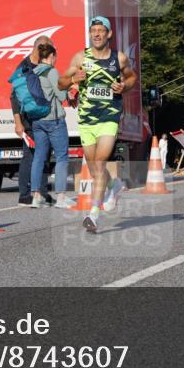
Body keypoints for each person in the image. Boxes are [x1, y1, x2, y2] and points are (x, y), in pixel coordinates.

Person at [59, 16, 136, 233]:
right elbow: (61, 81)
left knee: (100, 162)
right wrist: (74, 80)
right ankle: (115, 185)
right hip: (86, 119)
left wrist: (124, 86)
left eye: (101, 30)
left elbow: (131, 78)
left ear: (109, 34)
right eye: (94, 31)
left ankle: (93, 214)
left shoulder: (118, 58)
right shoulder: (81, 57)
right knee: (94, 169)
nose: (97, 34)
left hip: (109, 117)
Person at [11, 36, 55, 207]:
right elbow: (14, 97)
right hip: (29, 118)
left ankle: (41, 193)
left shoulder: (44, 64)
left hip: (44, 116)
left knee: (44, 154)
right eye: (49, 49)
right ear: (40, 48)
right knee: (30, 155)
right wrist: (18, 123)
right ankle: (24, 195)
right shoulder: (24, 67)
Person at [29, 43, 75, 209]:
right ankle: (61, 197)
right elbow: (61, 94)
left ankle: (36, 196)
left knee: (39, 157)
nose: (56, 60)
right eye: (55, 57)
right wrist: (69, 89)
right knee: (62, 157)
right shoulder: (52, 71)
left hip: (37, 120)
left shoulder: (32, 71)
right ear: (51, 57)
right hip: (53, 120)